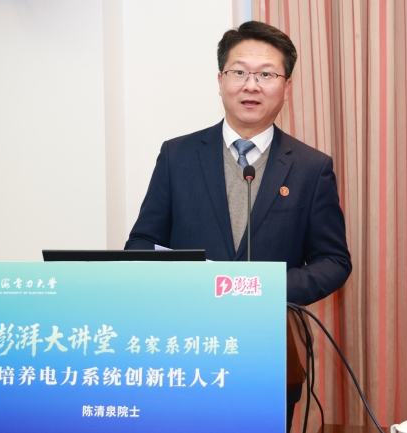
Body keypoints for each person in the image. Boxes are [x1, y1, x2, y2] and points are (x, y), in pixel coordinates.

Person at [125, 21, 351, 430]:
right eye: (239, 72)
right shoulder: (177, 155)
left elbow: (333, 261)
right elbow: (141, 243)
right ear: (220, 80)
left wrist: (263, 287)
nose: (251, 85)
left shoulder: (311, 168)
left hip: (267, 351)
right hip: (184, 347)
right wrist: (182, 278)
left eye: (266, 74)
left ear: (287, 87)